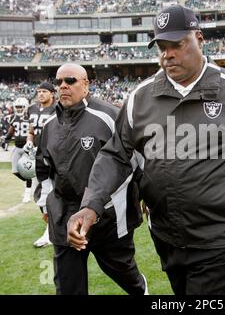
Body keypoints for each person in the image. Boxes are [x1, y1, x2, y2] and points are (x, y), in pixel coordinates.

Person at [67, 4, 225, 295]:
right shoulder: (141, 96)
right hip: (165, 232)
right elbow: (117, 155)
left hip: (218, 234)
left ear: (199, 39)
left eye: (177, 44)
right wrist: (91, 204)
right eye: (162, 46)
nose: (168, 54)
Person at [35, 63, 147, 295]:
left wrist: (145, 195)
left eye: (70, 81)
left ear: (86, 84)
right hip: (65, 216)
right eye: (59, 82)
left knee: (124, 273)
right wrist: (44, 203)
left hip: (108, 214)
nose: (63, 86)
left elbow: (135, 161)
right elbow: (43, 169)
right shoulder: (48, 126)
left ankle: (141, 288)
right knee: (68, 286)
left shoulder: (109, 116)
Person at [25, 82, 57, 248]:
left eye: (44, 91)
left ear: (52, 93)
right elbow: (31, 131)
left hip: (52, 156)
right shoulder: (32, 109)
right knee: (40, 195)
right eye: (38, 91)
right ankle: (51, 229)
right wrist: (29, 143)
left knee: (51, 193)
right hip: (37, 156)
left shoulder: (58, 108)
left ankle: (51, 232)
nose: (41, 94)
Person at [4, 97, 32, 203]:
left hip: (27, 148)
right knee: (15, 171)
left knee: (27, 171)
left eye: (21, 107)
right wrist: (6, 139)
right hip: (17, 147)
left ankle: (27, 193)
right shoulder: (13, 118)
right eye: (17, 107)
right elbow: (11, 132)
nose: (19, 109)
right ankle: (30, 183)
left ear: (25, 107)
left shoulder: (30, 117)